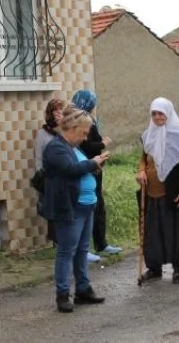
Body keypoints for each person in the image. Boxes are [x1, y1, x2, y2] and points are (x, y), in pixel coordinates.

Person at [38, 107, 109, 313]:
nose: (85, 137)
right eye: (84, 132)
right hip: (69, 206)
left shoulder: (73, 148)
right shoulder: (56, 147)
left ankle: (83, 289)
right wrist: (92, 162)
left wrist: (95, 166)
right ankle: (62, 294)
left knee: (82, 250)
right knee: (66, 251)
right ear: (72, 127)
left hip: (86, 206)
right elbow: (70, 169)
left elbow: (80, 169)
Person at [137, 98, 179, 283]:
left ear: (168, 113)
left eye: (161, 113)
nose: (157, 117)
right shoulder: (148, 135)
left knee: (178, 233)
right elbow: (144, 159)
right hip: (152, 194)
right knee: (153, 233)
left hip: (173, 193)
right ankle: (154, 268)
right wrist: (140, 171)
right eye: (154, 113)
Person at [72, 89, 122, 263]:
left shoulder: (89, 120)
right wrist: (103, 143)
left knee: (99, 205)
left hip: (94, 167)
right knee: (89, 208)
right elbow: (86, 146)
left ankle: (101, 243)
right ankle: (85, 249)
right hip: (87, 168)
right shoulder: (80, 121)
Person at [33, 98, 66, 245]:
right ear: (49, 114)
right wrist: (42, 177)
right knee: (53, 210)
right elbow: (38, 157)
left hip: (65, 175)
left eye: (61, 111)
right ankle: (57, 241)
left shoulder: (65, 131)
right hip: (50, 177)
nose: (59, 114)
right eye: (56, 111)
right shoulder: (43, 134)